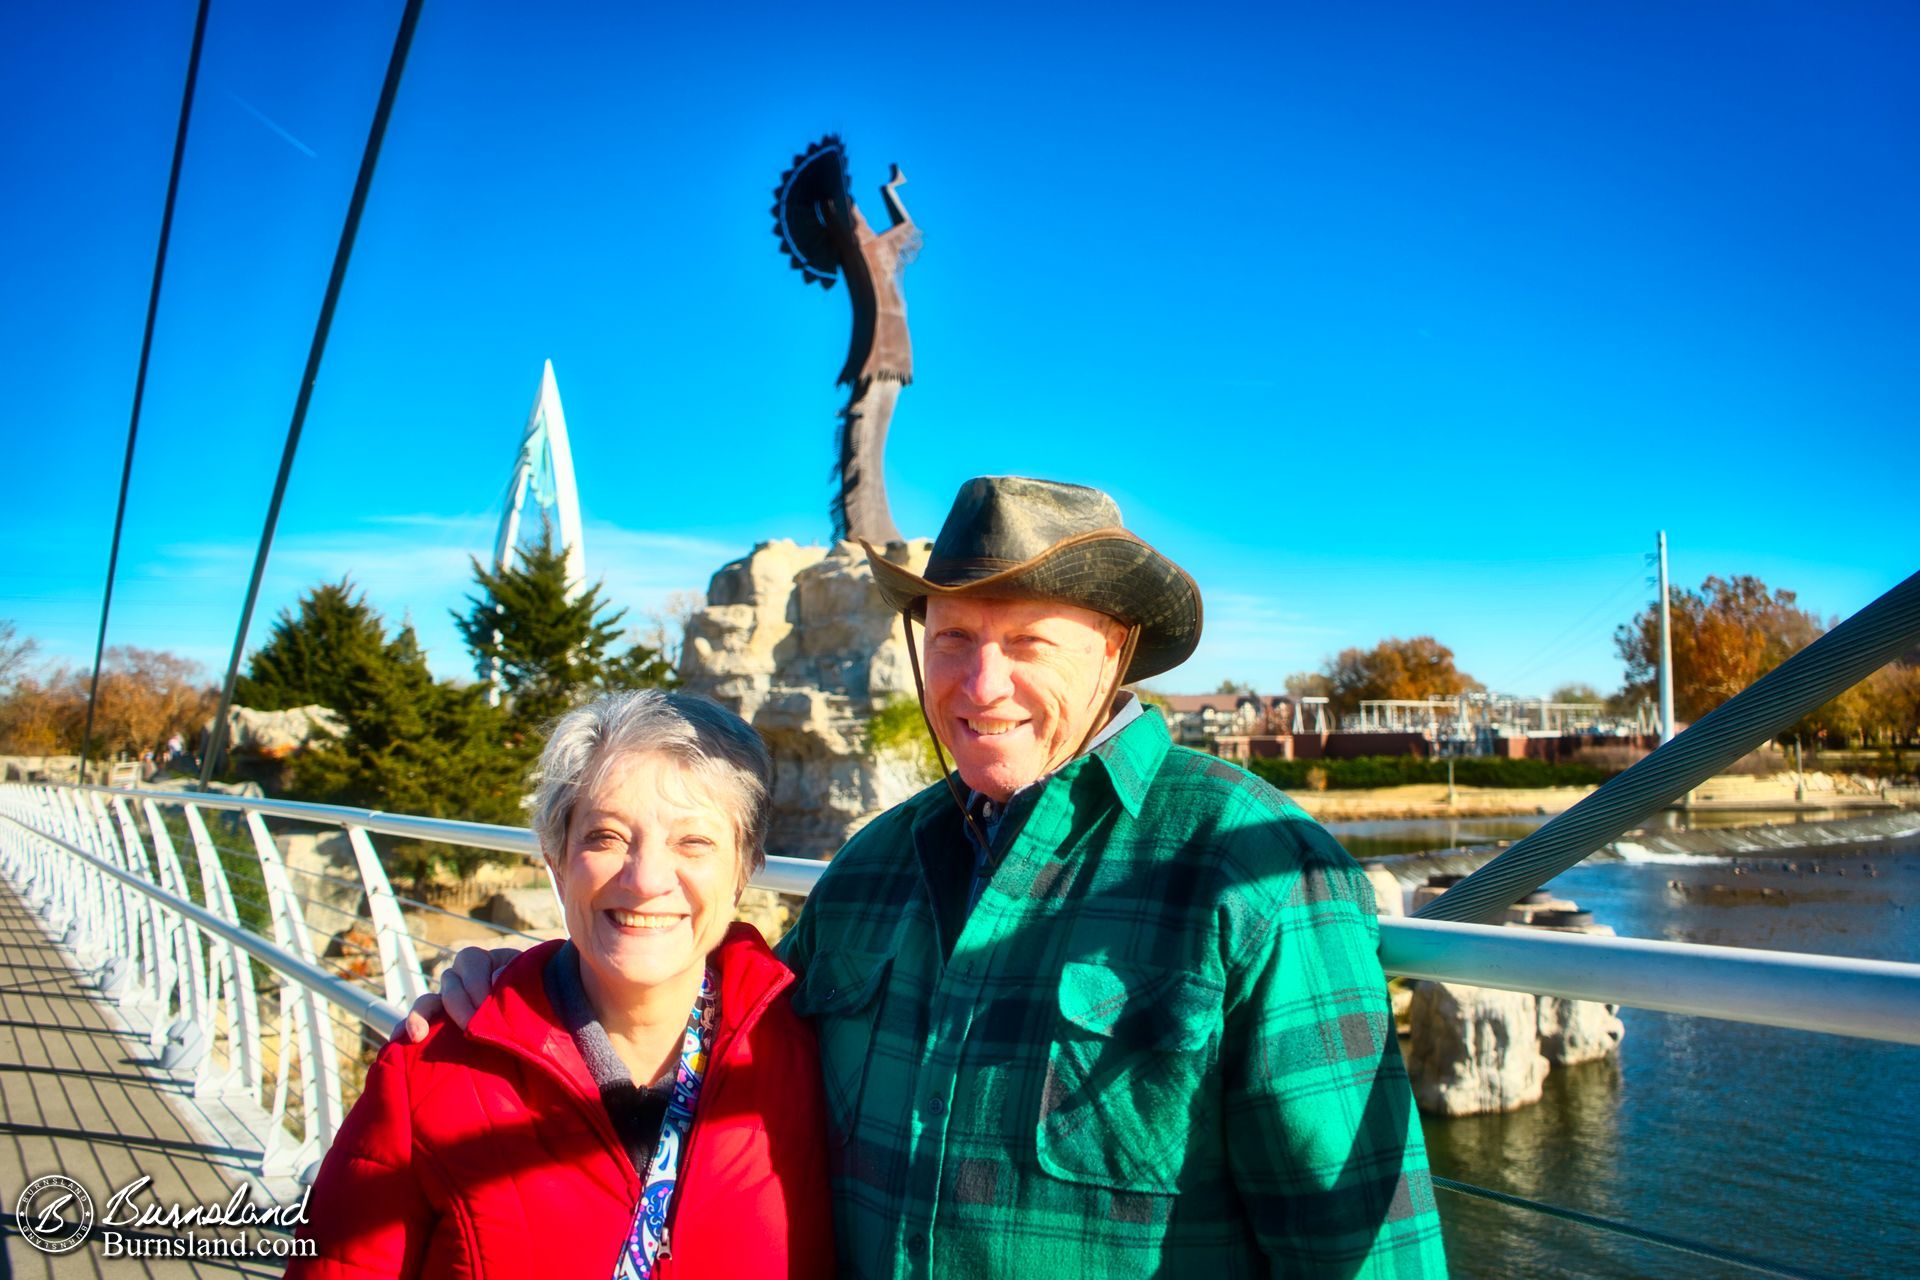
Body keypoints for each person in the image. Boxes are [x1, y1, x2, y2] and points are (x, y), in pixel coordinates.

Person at [423, 477, 1447, 1277]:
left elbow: (1361, 1244)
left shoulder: (1250, 871)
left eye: (1028, 641)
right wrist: (530, 990)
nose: (981, 683)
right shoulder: (872, 869)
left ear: (1115, 649)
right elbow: (704, 1025)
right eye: (954, 637)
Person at [294, 690, 834, 1279]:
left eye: (693, 842)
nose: (646, 879)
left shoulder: (807, 1056)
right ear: (556, 858)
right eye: (606, 837)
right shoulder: (431, 1075)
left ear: (743, 869)